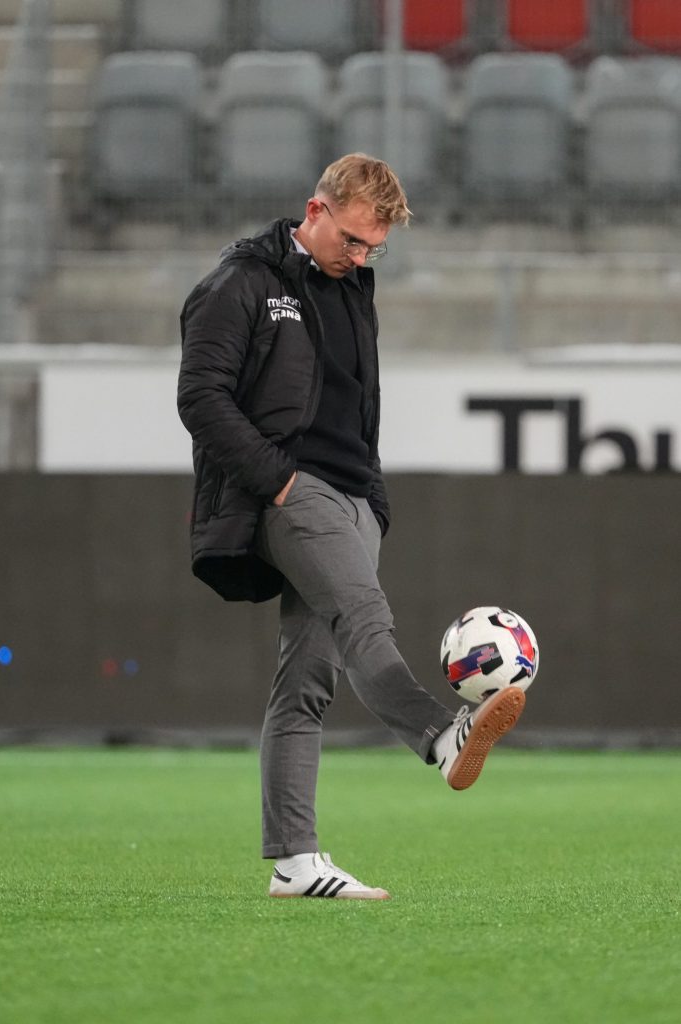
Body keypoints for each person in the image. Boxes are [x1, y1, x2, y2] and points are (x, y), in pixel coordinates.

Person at [177, 153, 525, 901]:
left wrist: (375, 499)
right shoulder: (239, 283)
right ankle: (440, 736)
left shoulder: (354, 286)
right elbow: (200, 398)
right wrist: (278, 480)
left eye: (375, 249)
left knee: (306, 681)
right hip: (289, 493)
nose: (361, 258)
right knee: (365, 616)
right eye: (354, 241)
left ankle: (295, 864)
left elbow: (356, 406)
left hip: (353, 498)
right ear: (316, 210)